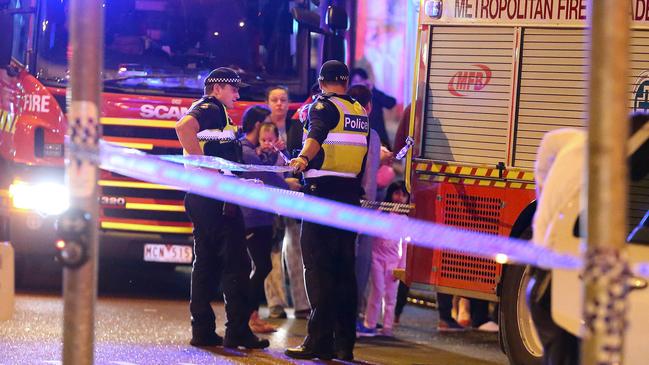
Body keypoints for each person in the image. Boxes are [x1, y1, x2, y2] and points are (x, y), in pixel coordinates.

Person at [528, 113, 649, 364]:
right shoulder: (601, 172)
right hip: (558, 279)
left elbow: (549, 143)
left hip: (544, 270)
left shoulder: (576, 142)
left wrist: (543, 202)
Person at [175, 67, 269, 350]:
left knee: (205, 265)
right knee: (237, 265)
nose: (237, 95)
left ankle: (202, 330)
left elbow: (223, 154)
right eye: (234, 89)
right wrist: (209, 171)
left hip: (204, 197)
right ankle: (238, 331)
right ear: (217, 88)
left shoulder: (219, 115)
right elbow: (182, 128)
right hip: (215, 199)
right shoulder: (211, 107)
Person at [285, 60, 370, 361]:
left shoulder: (323, 107)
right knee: (344, 273)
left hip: (322, 196)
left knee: (319, 271)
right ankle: (344, 344)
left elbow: (315, 136)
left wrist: (301, 161)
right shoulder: (359, 111)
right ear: (345, 82)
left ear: (322, 82)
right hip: (349, 197)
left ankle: (318, 342)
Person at [239, 107, 288, 334]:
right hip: (253, 217)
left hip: (262, 216)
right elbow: (268, 177)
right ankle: (248, 317)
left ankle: (251, 316)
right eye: (266, 123)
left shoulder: (254, 151)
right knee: (262, 265)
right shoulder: (246, 151)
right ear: (258, 124)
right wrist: (291, 187)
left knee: (261, 265)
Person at [265, 85, 310, 320]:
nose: (279, 104)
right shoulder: (262, 126)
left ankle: (302, 304)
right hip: (271, 194)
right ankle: (276, 303)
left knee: (296, 248)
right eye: (275, 100)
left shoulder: (297, 128)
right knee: (272, 250)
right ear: (268, 103)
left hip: (294, 196)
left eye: (283, 99)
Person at [357, 181, 410, 338]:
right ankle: (370, 324)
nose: (399, 197)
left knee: (391, 296)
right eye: (396, 193)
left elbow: (406, 245)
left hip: (394, 261)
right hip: (377, 258)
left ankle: (387, 327)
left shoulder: (405, 220)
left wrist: (401, 267)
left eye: (403, 195)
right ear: (390, 194)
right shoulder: (381, 212)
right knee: (378, 290)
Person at [350, 67, 397, 147]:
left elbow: (391, 103)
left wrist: (373, 89)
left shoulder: (373, 95)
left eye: (360, 81)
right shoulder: (348, 99)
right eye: (355, 81)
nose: (358, 84)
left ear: (365, 81)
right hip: (358, 141)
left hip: (379, 140)